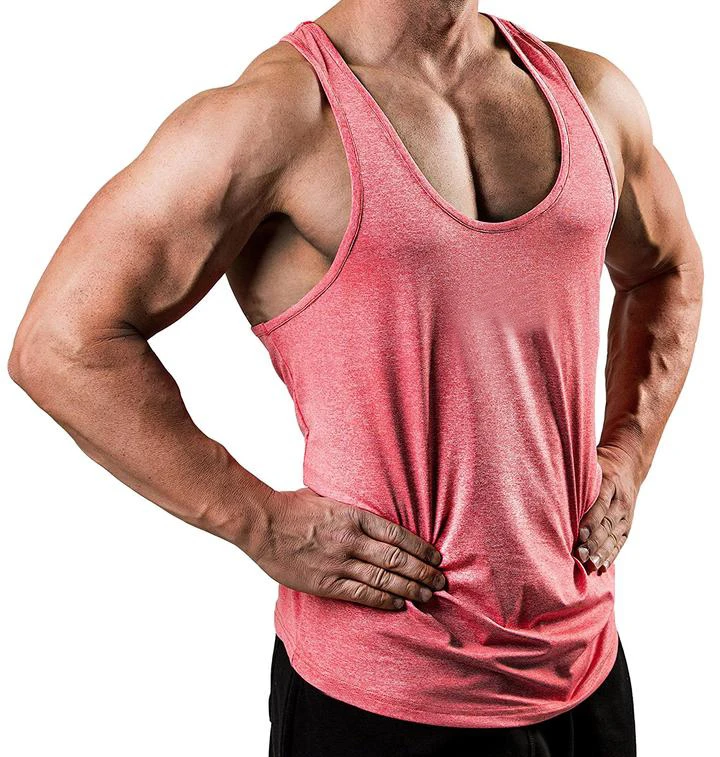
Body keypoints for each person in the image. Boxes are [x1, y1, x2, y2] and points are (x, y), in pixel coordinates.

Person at [8, 2, 703, 756]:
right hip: (384, 692)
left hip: (584, 665)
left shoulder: (589, 93)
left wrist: (629, 451)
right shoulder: (277, 117)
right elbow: (60, 343)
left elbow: (666, 269)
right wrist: (260, 522)